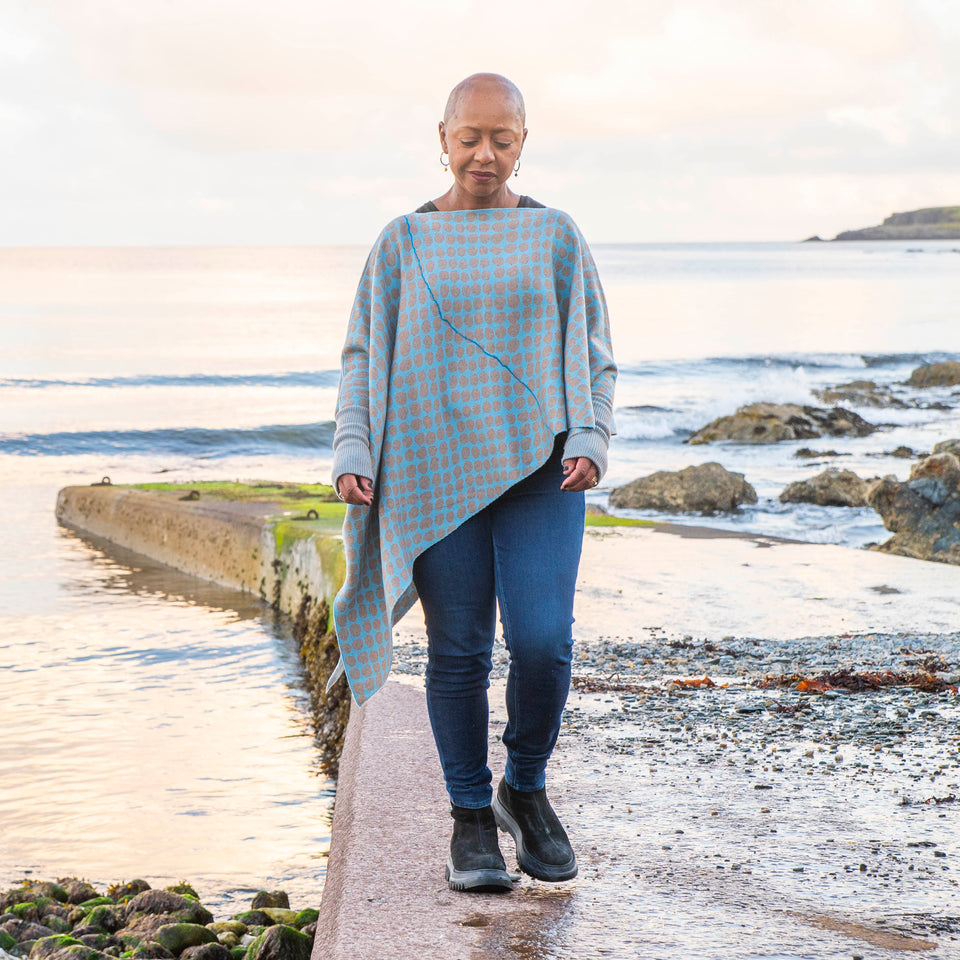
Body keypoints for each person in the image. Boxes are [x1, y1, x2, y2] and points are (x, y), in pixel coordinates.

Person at [330, 72, 616, 893]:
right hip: (431, 465)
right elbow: (364, 353)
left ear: (524, 141)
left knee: (542, 641)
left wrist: (592, 432)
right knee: (457, 653)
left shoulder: (556, 236)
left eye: (503, 138)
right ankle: (468, 819)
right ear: (443, 139)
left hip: (543, 468)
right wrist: (354, 445)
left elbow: (593, 349)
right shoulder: (401, 243)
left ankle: (523, 788)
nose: (484, 153)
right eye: (470, 137)